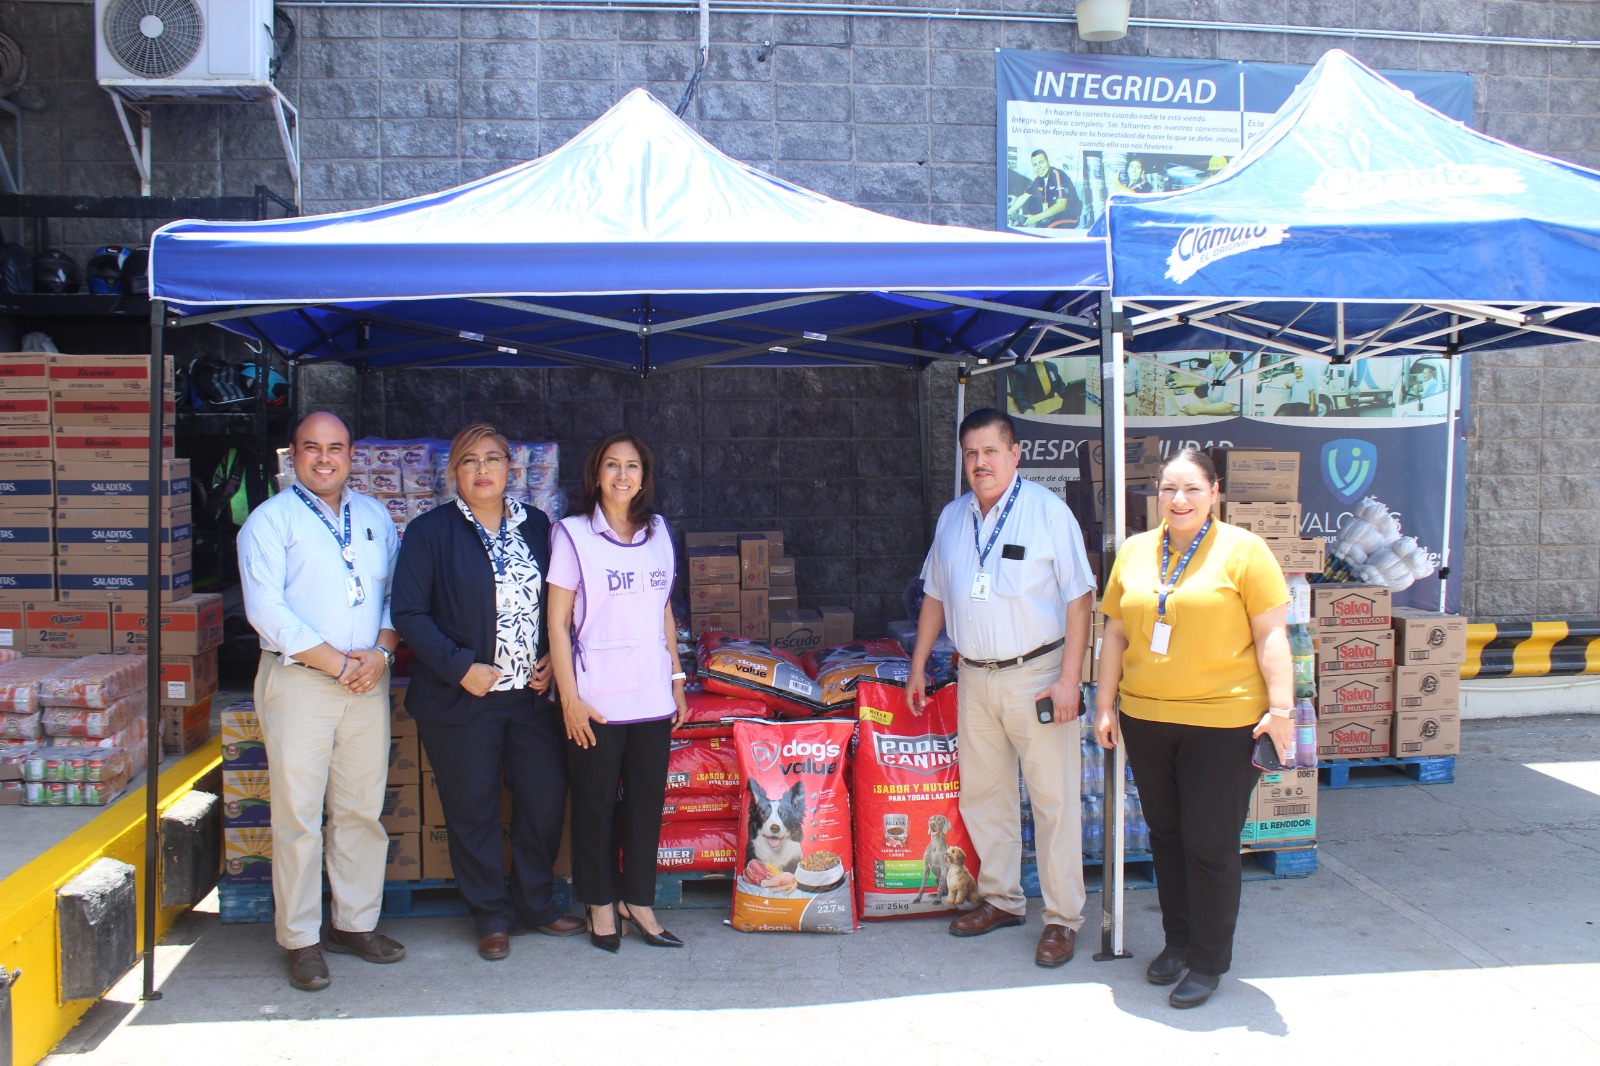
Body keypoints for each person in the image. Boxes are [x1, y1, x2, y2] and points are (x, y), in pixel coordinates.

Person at [1092, 447, 1294, 1009]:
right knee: (1166, 836)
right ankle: (1177, 942)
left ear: (1214, 492)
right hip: (1147, 718)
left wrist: (1281, 711)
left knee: (1209, 842)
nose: (1178, 500)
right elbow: (1115, 634)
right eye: (1168, 489)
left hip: (1224, 723)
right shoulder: (1135, 551)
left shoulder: (1244, 551)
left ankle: (1208, 960)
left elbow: (1271, 635)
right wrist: (1105, 705)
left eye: (1192, 489)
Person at [907, 408, 1095, 968]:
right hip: (974, 675)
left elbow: (1080, 598)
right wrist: (918, 665)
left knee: (1053, 801)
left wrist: (1070, 680)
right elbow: (934, 594)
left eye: (991, 451)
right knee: (985, 796)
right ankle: (1002, 899)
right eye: (971, 453)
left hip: (1038, 675)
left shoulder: (1047, 512)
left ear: (1015, 454)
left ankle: (1062, 919)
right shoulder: (952, 518)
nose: (980, 462)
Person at [392, 423, 584, 962]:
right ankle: (491, 917)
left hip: (530, 697)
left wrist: (553, 657)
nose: (483, 470)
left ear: (509, 468)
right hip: (463, 699)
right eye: (470, 460)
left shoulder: (538, 525)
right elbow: (408, 612)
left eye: (493, 459)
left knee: (545, 797)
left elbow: (562, 601)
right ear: (454, 471)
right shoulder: (430, 531)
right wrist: (460, 668)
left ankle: (536, 904)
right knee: (472, 810)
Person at [237, 411, 405, 992]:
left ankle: (354, 925)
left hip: (367, 680)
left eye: (336, 448)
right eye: (312, 448)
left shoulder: (375, 516)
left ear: (351, 455)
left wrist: (381, 652)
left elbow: (397, 595)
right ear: (293, 455)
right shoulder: (269, 521)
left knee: (361, 810)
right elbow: (267, 611)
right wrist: (338, 663)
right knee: (299, 817)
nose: (325, 458)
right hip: (301, 682)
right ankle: (301, 939)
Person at [548, 431, 689, 953]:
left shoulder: (659, 531)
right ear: (596, 473)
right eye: (612, 464)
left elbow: (663, 609)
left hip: (651, 692)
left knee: (646, 805)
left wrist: (676, 679)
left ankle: (639, 901)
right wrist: (569, 699)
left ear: (644, 476)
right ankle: (600, 903)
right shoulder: (572, 535)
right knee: (595, 805)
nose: (622, 475)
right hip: (597, 698)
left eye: (633, 466)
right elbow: (557, 623)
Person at [1011, 149, 1082, 229]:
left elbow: (1061, 206)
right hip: (1052, 215)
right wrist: (1008, 212)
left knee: (1043, 228)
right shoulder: (1038, 179)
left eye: (1041, 162)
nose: (1039, 167)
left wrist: (1035, 218)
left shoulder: (1057, 174)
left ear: (1048, 161)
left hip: (1069, 216)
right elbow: (1024, 196)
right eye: (1035, 165)